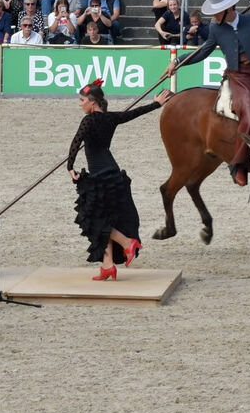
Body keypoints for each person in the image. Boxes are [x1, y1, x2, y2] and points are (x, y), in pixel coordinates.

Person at [167, 0, 250, 186]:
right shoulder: (215, 29)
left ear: (229, 9)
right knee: (248, 115)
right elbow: (202, 52)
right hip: (238, 78)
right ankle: (239, 164)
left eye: (216, 12)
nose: (213, 17)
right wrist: (178, 62)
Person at [67, 80, 172, 281]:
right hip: (112, 174)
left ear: (92, 102)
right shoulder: (111, 118)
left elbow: (76, 142)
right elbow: (133, 114)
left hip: (99, 177)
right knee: (105, 218)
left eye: (82, 100)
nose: (79, 104)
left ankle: (127, 243)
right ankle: (107, 266)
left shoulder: (88, 121)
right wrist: (156, 104)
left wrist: (70, 167)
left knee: (94, 219)